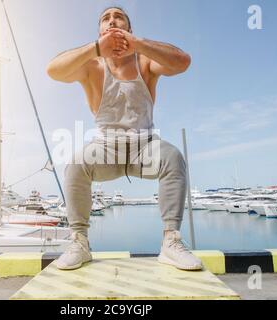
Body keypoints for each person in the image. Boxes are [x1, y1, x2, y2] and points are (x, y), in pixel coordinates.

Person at [46, 7, 203, 271]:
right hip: (105, 149)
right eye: (106, 18)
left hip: (145, 148)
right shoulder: (92, 66)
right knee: (74, 164)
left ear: (128, 29)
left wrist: (138, 44)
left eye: (118, 17)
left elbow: (183, 61)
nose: (112, 20)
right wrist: (97, 48)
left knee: (173, 158)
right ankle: (79, 242)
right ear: (100, 31)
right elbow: (53, 70)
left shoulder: (144, 62)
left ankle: (171, 242)